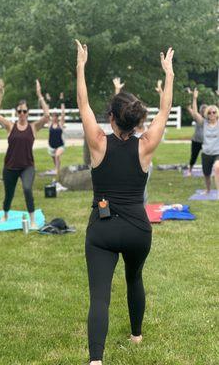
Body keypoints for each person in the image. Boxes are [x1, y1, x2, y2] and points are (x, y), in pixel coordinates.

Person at [75, 39, 174, 364]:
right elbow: (164, 110)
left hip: (102, 232)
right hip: (137, 231)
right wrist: (168, 74)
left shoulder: (98, 143)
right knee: (134, 278)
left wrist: (81, 67)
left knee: (100, 297)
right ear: (134, 121)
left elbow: (83, 105)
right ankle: (136, 334)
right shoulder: (144, 146)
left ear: (112, 117)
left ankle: (96, 360)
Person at [0, 79, 50, 227]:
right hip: (10, 166)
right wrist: (1, 94)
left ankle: (32, 220)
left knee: (27, 189)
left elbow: (47, 116)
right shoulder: (10, 126)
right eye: (19, 111)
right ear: (17, 112)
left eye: (24, 111)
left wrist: (39, 95)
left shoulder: (33, 127)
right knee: (9, 194)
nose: (22, 113)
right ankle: (5, 215)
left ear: (28, 112)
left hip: (27, 166)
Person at [191, 94, 219, 198]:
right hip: (206, 153)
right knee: (206, 175)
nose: (212, 114)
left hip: (217, 153)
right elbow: (194, 113)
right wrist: (194, 98)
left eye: (214, 112)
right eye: (210, 112)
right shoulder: (204, 123)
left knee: (217, 168)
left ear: (217, 114)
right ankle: (208, 190)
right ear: (207, 114)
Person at [185, 88, 207, 176]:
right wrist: (192, 97)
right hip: (196, 141)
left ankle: (209, 170)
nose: (204, 111)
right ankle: (190, 170)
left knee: (208, 158)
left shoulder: (211, 120)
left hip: (207, 142)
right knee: (193, 157)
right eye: (202, 110)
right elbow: (191, 109)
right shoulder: (199, 119)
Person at [48, 92, 66, 178]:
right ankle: (58, 170)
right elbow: (46, 113)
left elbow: (63, 113)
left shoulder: (60, 124)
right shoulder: (49, 124)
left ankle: (57, 172)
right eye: (53, 116)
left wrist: (62, 100)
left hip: (60, 145)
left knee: (57, 155)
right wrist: (48, 101)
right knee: (55, 160)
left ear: (57, 117)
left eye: (56, 116)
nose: (54, 117)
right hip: (51, 146)